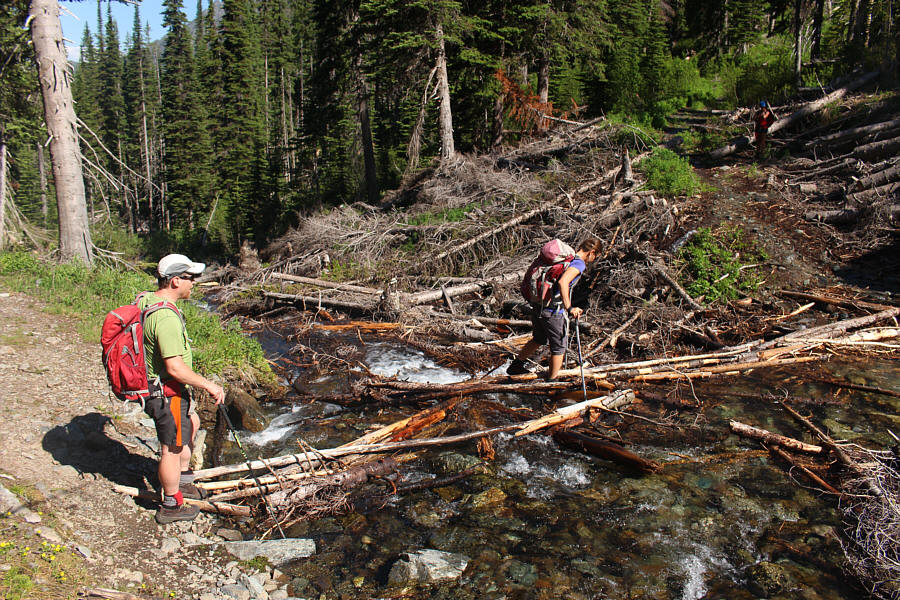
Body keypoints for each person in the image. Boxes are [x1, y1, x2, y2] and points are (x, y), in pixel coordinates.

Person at [141, 253, 226, 524]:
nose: (195, 283)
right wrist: (210, 385)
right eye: (191, 278)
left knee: (193, 421)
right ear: (175, 281)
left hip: (169, 388)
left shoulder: (148, 300)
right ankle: (171, 504)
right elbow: (175, 368)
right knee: (172, 447)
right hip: (166, 391)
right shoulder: (165, 317)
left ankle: (184, 479)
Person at [507, 238, 603, 381]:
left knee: (539, 338)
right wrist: (569, 307)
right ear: (592, 252)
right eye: (595, 256)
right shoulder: (578, 263)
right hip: (553, 310)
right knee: (559, 348)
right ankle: (552, 381)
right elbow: (563, 282)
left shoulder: (566, 258)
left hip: (539, 306)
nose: (593, 260)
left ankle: (516, 366)